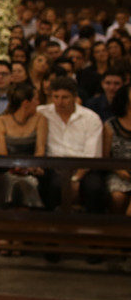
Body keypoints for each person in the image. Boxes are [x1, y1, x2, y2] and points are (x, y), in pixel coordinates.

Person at [39, 77, 107, 215]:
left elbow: (91, 155)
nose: (59, 102)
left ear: (75, 97)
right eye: (56, 97)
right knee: (54, 186)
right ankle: (51, 228)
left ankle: (93, 228)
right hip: (55, 165)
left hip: (84, 166)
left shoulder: (90, 118)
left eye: (65, 97)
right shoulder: (42, 112)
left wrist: (76, 179)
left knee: (95, 188)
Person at [0, 83, 46, 210]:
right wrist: (18, 168)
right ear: (26, 103)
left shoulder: (40, 119)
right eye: (36, 99)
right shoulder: (1, 122)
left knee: (30, 182)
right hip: (7, 169)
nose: (38, 102)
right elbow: (2, 155)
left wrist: (31, 167)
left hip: (33, 170)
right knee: (12, 182)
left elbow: (40, 149)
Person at [102, 84, 131, 216]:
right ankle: (114, 230)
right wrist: (119, 170)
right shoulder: (110, 125)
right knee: (118, 197)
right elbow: (105, 156)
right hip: (118, 172)